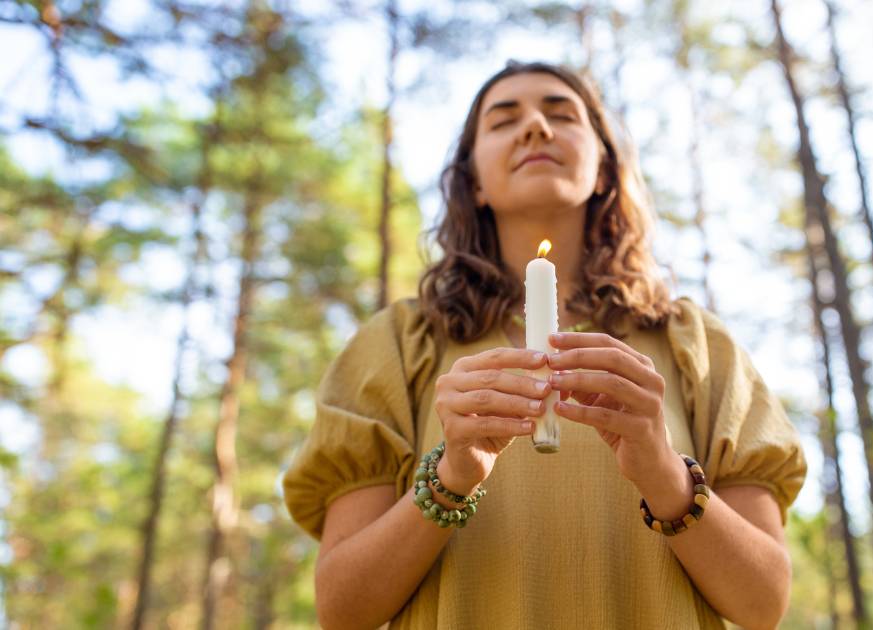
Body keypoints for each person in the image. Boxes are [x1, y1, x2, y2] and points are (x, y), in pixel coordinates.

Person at [282, 60, 806, 630]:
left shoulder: (697, 345)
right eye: (504, 121)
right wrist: (452, 476)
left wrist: (662, 471)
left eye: (561, 114)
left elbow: (763, 604)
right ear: (474, 181)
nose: (535, 126)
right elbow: (343, 609)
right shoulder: (396, 345)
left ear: (604, 168)